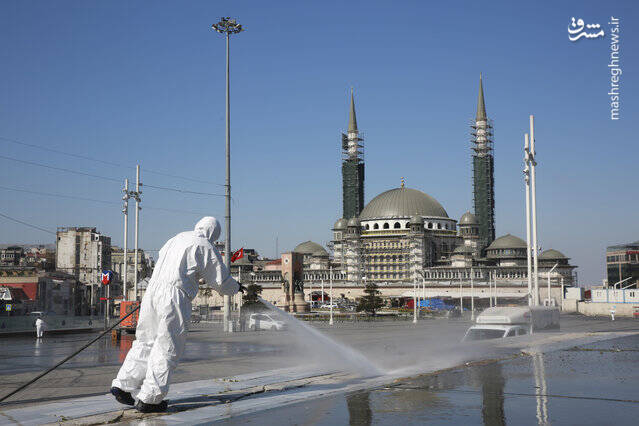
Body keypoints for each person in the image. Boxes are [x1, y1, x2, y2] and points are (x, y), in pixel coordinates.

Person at [110, 217, 245, 413]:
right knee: (167, 346)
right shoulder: (204, 245)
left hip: (152, 292)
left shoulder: (176, 238)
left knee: (145, 341)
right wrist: (236, 287)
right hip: (174, 296)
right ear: (214, 233)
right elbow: (220, 281)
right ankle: (150, 399)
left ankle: (122, 385)